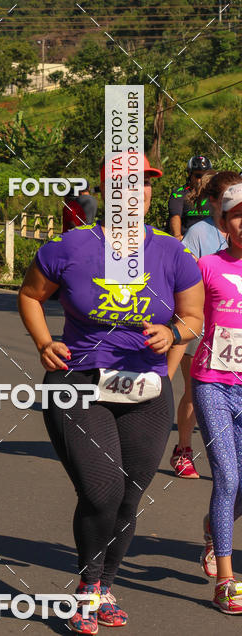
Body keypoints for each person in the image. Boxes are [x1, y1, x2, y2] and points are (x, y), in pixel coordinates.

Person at [18, 154, 204, 633]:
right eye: (126, 183)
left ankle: (101, 586)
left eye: (144, 184)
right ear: (106, 191)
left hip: (146, 386)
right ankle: (86, 587)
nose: (137, 191)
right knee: (102, 491)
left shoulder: (172, 252)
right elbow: (31, 295)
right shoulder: (70, 245)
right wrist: (44, 342)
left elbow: (192, 317)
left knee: (128, 498)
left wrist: (174, 334)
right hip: (78, 382)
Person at [170, 170, 242, 479]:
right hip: (200, 327)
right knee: (191, 392)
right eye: (223, 197)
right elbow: (185, 278)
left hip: (233, 329)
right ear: (212, 201)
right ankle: (184, 448)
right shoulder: (199, 232)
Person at [190, 181, 242, 613]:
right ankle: (226, 580)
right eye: (237, 214)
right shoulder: (206, 266)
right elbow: (186, 321)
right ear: (224, 222)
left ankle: (214, 526)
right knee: (227, 476)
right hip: (212, 382)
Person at [168, 155, 213, 240]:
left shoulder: (214, 193)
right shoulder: (179, 193)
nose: (201, 179)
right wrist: (177, 236)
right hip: (187, 239)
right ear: (189, 174)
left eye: (205, 175)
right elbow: (175, 215)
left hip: (210, 239)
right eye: (198, 176)